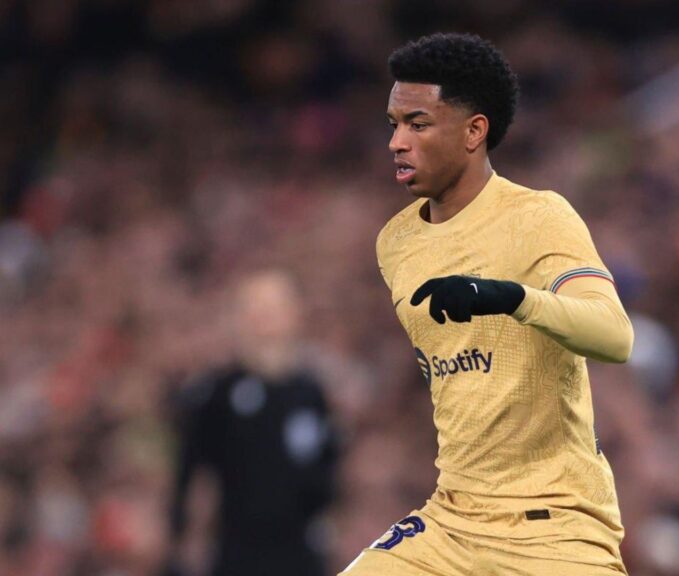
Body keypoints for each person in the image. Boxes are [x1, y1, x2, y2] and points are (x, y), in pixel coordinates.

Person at [341, 33, 633, 576]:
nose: (396, 142)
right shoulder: (396, 242)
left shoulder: (538, 216)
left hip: (554, 527)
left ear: (475, 131)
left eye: (418, 124)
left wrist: (511, 298)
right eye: (394, 124)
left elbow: (615, 337)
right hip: (453, 521)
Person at [167, 270, 339, 576]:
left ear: (296, 314)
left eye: (274, 307)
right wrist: (187, 536)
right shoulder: (216, 395)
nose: (264, 319)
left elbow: (327, 472)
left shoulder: (311, 395)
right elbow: (191, 474)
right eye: (254, 308)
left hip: (299, 553)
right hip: (236, 551)